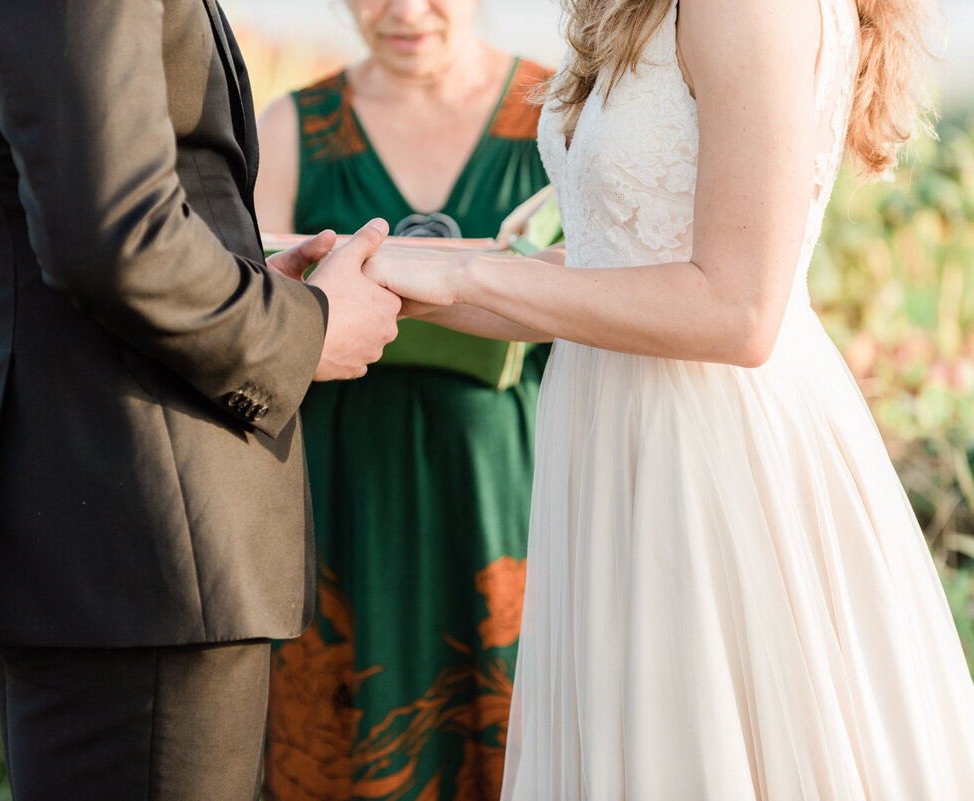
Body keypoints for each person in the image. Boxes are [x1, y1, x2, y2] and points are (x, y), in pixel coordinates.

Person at [364, 0, 974, 796]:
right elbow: (599, 264)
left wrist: (462, 274)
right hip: (612, 439)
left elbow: (739, 309)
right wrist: (380, 269)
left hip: (709, 457)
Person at [0, 0, 401, 799]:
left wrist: (240, 285)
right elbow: (111, 228)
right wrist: (305, 332)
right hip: (143, 517)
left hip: (95, 507)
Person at [254, 1, 552, 798]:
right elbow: (242, 311)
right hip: (341, 489)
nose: (406, 10)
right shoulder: (291, 127)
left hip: (507, 489)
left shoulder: (557, 113)